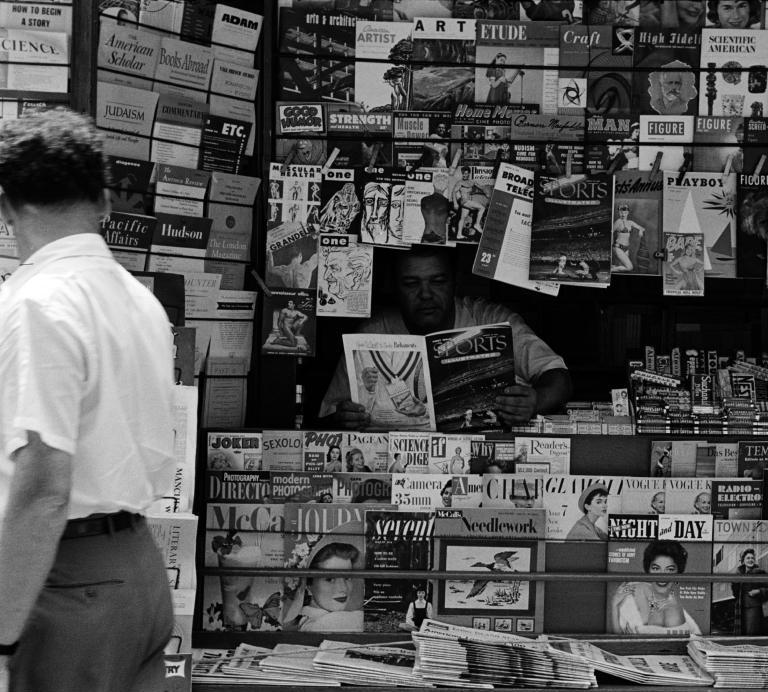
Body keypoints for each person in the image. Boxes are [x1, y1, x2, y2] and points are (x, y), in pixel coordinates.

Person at [0, 109, 176, 691]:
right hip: (137, 569)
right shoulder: (136, 298)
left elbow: (44, 489)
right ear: (103, 200)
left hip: (63, 582)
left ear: (6, 207)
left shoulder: (38, 304)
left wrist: (1, 633)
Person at [319, 246, 572, 429]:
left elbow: (558, 376)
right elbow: (327, 417)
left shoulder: (491, 319)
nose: (425, 294)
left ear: (454, 283)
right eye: (411, 283)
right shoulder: (371, 334)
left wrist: (535, 401)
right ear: (395, 287)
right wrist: (344, 419)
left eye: (437, 281)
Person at [610, 540, 702, 634]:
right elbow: (618, 639)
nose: (662, 576)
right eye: (656, 568)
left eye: (670, 569)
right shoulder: (630, 592)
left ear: (678, 573)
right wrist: (614, 607)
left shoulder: (675, 611)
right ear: (648, 570)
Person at [299, 542, 364, 632]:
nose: (343, 588)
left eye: (347, 577)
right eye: (330, 579)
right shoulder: (319, 625)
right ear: (308, 585)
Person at [731, 548, 768, 635]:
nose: (750, 560)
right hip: (740, 608)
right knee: (741, 634)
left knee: (751, 633)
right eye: (748, 558)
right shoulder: (738, 573)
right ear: (743, 561)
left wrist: (758, 591)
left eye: (752, 558)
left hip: (754, 608)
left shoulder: (760, 573)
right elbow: (735, 593)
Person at [612, 203, 645, 272]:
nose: (623, 214)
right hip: (618, 248)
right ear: (619, 212)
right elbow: (611, 232)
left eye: (625, 212)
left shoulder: (630, 222)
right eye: (621, 212)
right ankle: (611, 269)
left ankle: (612, 268)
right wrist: (611, 244)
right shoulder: (618, 222)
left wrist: (640, 231)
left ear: (628, 213)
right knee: (629, 267)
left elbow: (642, 228)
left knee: (622, 267)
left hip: (626, 249)